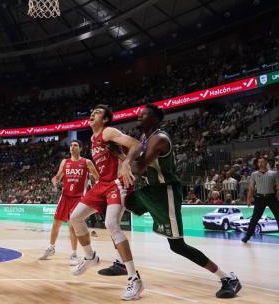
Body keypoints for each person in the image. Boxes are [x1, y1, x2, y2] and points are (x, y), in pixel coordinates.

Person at [123, 103, 241, 299]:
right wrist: (125, 159)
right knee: (120, 204)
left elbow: (141, 167)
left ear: (154, 119)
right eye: (139, 115)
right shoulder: (145, 137)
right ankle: (124, 265)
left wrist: (122, 159)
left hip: (166, 192)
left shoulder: (159, 139)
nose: (138, 117)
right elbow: (135, 151)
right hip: (150, 190)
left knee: (177, 246)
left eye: (143, 115)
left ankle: (227, 278)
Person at [68, 104, 145, 300]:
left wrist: (126, 163)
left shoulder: (109, 131)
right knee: (75, 217)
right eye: (92, 111)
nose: (92, 114)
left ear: (106, 120)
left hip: (117, 183)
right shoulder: (93, 139)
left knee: (111, 224)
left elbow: (136, 144)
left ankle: (134, 279)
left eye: (98, 113)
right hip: (102, 184)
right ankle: (90, 257)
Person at [39, 140, 99, 265]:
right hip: (65, 197)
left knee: (72, 226)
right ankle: (51, 248)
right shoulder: (64, 162)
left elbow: (98, 177)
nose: (72, 147)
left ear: (80, 148)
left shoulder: (86, 162)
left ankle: (74, 254)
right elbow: (58, 177)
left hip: (78, 198)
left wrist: (94, 188)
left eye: (75, 145)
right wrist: (55, 180)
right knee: (56, 223)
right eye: (71, 145)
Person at [241, 156, 279, 243]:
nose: (260, 164)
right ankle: (247, 236)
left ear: (266, 163)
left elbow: (278, 185)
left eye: (262, 162)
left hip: (271, 197)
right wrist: (249, 198)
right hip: (259, 198)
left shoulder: (274, 173)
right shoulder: (254, 174)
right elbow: (251, 188)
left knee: (278, 217)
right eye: (259, 162)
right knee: (254, 218)